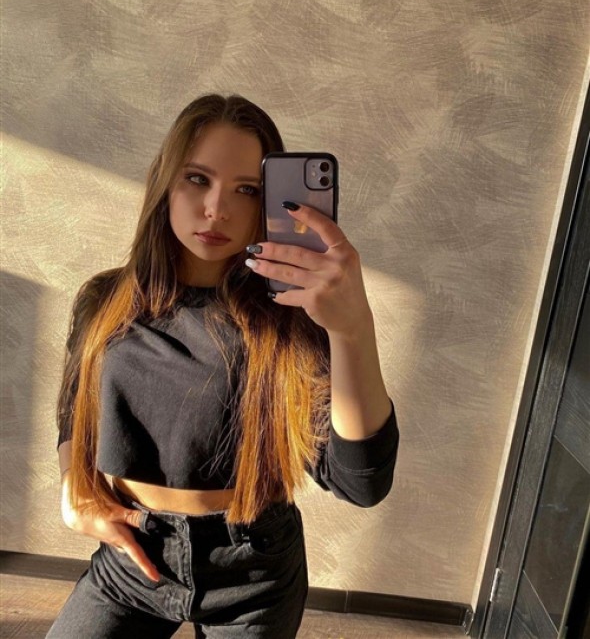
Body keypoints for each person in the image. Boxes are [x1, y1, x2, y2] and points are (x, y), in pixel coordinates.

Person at [48, 94, 399, 638]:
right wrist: (74, 486)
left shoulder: (293, 321)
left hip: (253, 572)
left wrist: (353, 329)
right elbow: (77, 407)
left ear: (268, 202)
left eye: (247, 190)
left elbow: (360, 483)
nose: (217, 209)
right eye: (197, 179)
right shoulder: (105, 300)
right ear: (165, 182)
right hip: (133, 558)